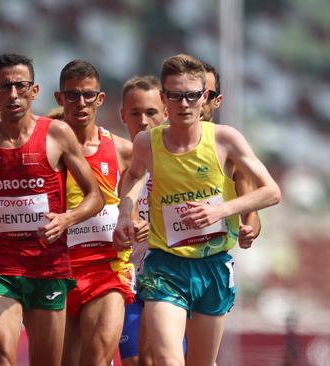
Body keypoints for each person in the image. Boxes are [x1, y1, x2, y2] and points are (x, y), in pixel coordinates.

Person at [113, 54, 281, 366]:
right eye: (175, 95)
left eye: (191, 95)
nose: (184, 104)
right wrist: (126, 212)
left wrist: (221, 211)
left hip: (213, 266)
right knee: (167, 358)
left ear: (204, 97)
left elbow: (271, 191)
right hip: (166, 265)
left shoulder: (225, 139)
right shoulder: (146, 143)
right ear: (164, 98)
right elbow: (134, 175)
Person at [0, 53, 104, 366]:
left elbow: (95, 196)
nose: (13, 95)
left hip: (47, 266)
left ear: (34, 91)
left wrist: (66, 219)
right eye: (5, 87)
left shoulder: (56, 135)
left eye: (21, 86)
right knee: (2, 354)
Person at [53, 60, 145, 366]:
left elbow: (135, 201)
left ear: (100, 99)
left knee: (97, 360)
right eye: (73, 95)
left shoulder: (122, 150)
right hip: (59, 271)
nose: (81, 103)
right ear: (59, 98)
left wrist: (133, 222)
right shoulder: (46, 151)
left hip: (107, 270)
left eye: (88, 95)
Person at [118, 74, 167, 366]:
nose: (143, 120)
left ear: (165, 112)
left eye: (151, 112)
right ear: (122, 114)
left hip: (170, 276)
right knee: (136, 361)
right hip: (128, 277)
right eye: (135, 113)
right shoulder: (112, 157)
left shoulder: (179, 161)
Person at [200, 61, 261, 249]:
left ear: (217, 101)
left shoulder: (230, 148)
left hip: (212, 265)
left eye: (206, 95)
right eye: (191, 94)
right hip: (159, 263)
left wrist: (248, 231)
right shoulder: (154, 145)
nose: (199, 101)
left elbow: (252, 214)